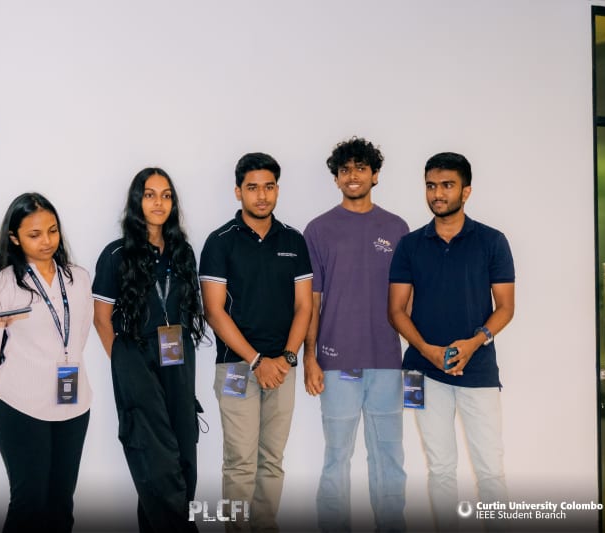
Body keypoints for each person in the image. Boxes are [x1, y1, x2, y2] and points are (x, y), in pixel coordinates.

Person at [388, 152, 515, 531]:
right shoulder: (409, 244)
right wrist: (427, 350)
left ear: (466, 190)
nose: (437, 194)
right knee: (440, 467)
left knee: (490, 469)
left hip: (479, 369)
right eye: (431, 186)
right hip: (419, 371)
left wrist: (474, 342)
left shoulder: (492, 241)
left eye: (447, 185)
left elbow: (506, 307)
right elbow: (396, 311)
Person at [199, 152, 313, 533]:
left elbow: (304, 306)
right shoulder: (220, 243)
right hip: (236, 367)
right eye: (252, 188)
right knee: (240, 464)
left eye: (269, 187)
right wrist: (256, 361)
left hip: (282, 368)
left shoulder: (294, 241)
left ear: (277, 189)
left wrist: (287, 359)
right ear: (238, 192)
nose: (261, 196)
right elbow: (214, 312)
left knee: (272, 461)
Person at [303, 137, 408, 532]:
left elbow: (407, 302)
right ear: (336, 178)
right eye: (345, 169)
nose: (352, 176)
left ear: (375, 175)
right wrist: (310, 357)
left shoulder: (397, 228)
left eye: (361, 168)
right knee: (336, 458)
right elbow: (311, 302)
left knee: (389, 458)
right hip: (336, 362)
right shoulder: (318, 230)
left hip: (386, 362)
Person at [92, 168, 205, 533]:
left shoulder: (182, 252)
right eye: (150, 194)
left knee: (184, 454)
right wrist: (125, 366)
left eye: (166, 195)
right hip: (136, 358)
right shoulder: (116, 254)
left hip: (178, 357)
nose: (159, 203)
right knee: (156, 459)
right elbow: (101, 319)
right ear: (137, 201)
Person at [0, 192, 93, 532]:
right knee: (29, 505)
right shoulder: (3, 284)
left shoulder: (79, 278)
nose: (47, 241)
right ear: (14, 238)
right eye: (34, 234)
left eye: (53, 231)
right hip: (20, 405)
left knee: (61, 505)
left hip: (74, 405)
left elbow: (79, 333)